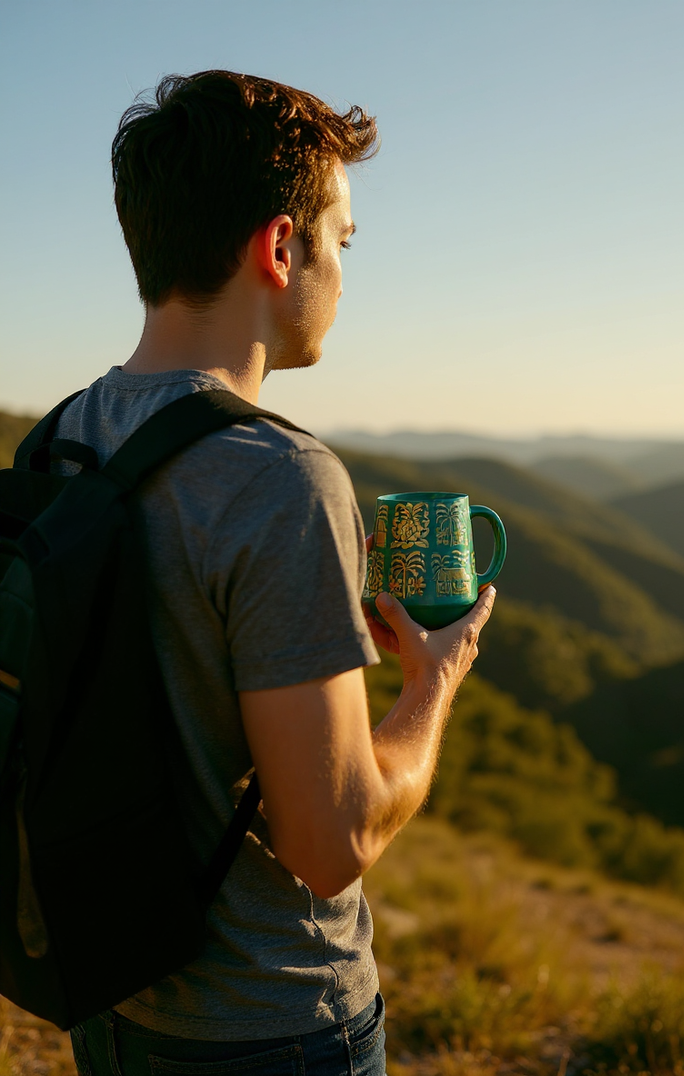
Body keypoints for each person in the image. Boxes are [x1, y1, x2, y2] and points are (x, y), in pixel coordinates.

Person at [62, 70, 496, 1076]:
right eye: (341, 240)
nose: (343, 271)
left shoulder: (61, 440)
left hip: (108, 999)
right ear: (279, 245)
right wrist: (433, 680)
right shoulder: (279, 477)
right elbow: (330, 839)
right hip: (273, 1024)